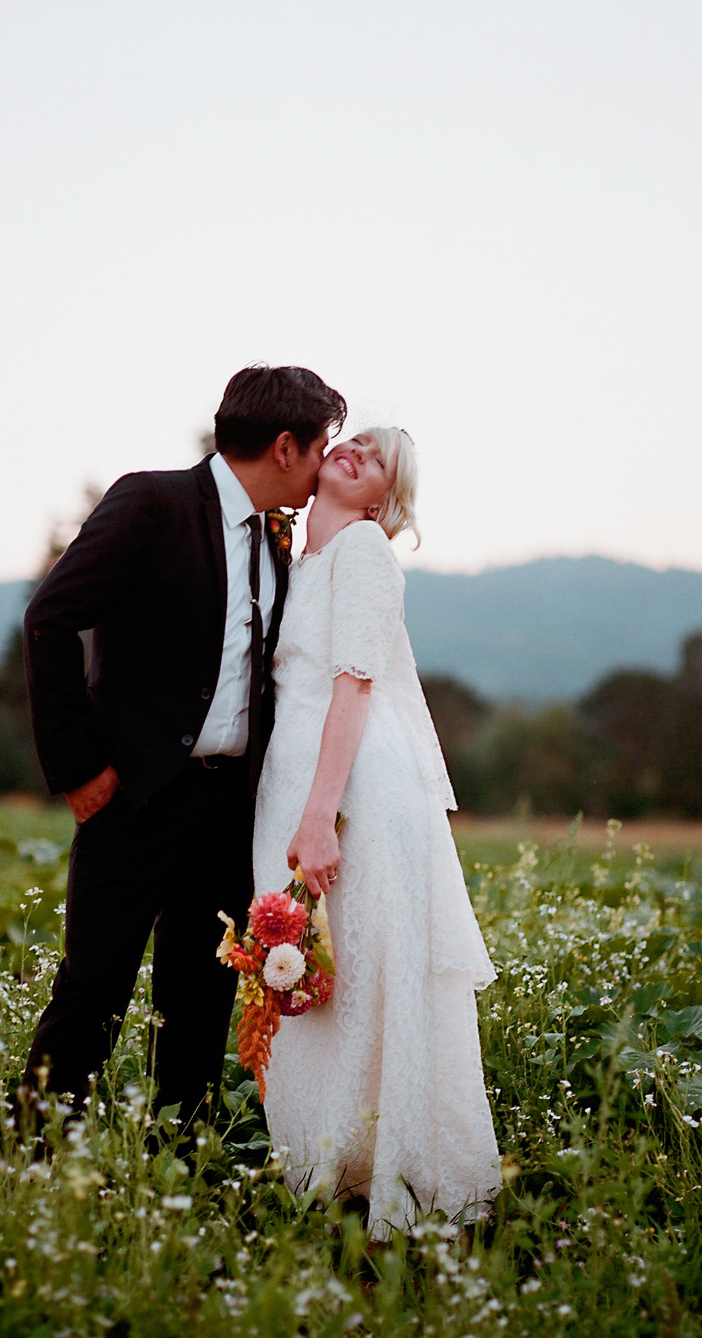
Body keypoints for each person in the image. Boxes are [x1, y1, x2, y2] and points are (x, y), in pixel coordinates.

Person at [16, 366, 347, 1133]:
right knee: (93, 988)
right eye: (320, 446)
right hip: (131, 794)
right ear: (285, 446)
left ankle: (183, 1153)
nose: (324, 463)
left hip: (229, 806)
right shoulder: (151, 502)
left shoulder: (275, 535)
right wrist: (80, 769)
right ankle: (34, 1157)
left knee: (201, 993)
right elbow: (50, 618)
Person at [253, 428, 502, 1237]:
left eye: (379, 459)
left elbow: (354, 686)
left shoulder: (362, 551)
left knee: (364, 976)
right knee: (318, 976)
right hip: (295, 782)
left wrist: (319, 816)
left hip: (351, 788)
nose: (357, 450)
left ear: (382, 503)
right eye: (356, 438)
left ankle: (396, 1174)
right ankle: (331, 1165)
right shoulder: (295, 556)